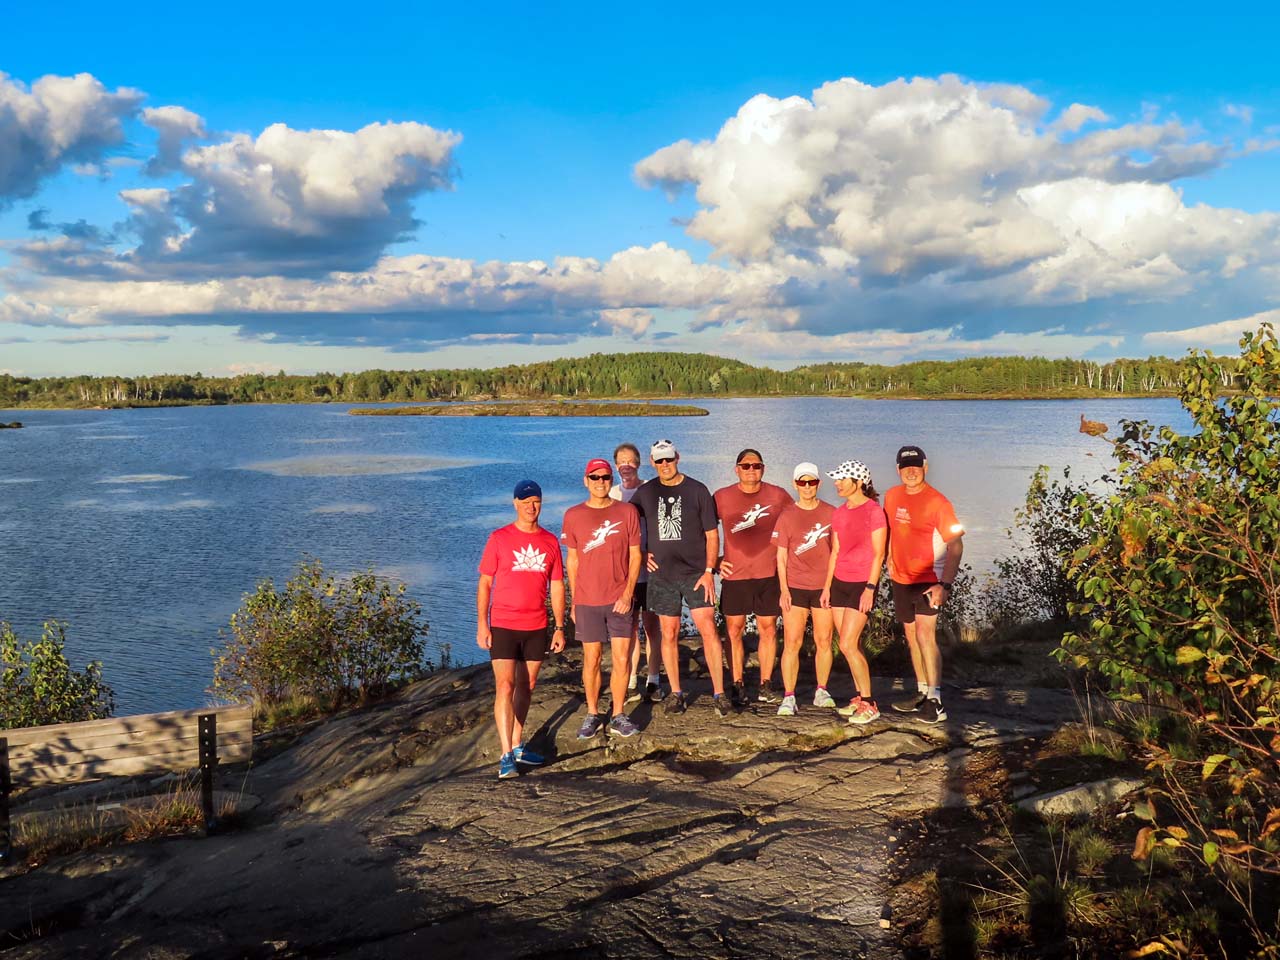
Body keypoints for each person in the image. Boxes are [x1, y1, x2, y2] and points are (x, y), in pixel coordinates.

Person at [476, 479, 567, 779]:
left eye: (536, 501)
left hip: (536, 624)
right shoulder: (499, 538)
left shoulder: (550, 541)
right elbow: (485, 582)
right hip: (503, 623)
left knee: (527, 686)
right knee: (505, 686)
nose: (531, 506)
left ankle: (516, 744)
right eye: (525, 501)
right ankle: (505, 755)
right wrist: (482, 623)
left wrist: (559, 626)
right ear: (515, 503)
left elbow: (557, 585)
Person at [630, 439, 727, 717]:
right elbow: (627, 523)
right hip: (661, 576)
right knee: (669, 632)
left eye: (669, 459)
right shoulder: (645, 493)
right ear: (652, 462)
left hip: (696, 573)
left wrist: (709, 571)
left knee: (708, 628)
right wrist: (640, 552)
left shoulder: (697, 490)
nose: (665, 465)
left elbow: (712, 535)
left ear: (677, 458)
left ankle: (719, 693)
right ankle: (676, 692)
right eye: (659, 460)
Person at [562, 458, 642, 739]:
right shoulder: (573, 515)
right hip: (587, 600)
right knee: (592, 658)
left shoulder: (627, 511)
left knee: (621, 659)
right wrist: (574, 600)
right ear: (586, 481)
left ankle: (618, 714)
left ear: (611, 480)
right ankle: (593, 713)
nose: (600, 482)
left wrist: (628, 593)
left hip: (619, 598)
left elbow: (635, 555)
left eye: (605, 477)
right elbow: (572, 560)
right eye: (594, 477)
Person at [884, 445, 965, 724]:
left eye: (916, 466)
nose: (911, 472)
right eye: (906, 467)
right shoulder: (892, 496)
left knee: (925, 635)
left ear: (925, 468)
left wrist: (945, 585)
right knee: (911, 636)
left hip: (929, 580)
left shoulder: (939, 503)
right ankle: (921, 692)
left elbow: (956, 545)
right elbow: (890, 530)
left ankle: (935, 700)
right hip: (901, 579)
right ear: (898, 469)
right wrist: (888, 557)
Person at [714, 448, 792, 707]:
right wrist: (713, 562)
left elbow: (797, 521)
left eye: (756, 466)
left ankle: (765, 684)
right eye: (745, 466)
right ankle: (737, 684)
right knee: (733, 630)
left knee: (768, 629)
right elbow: (703, 530)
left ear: (763, 469)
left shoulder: (778, 495)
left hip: (768, 574)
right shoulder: (721, 497)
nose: (751, 470)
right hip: (735, 575)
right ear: (736, 469)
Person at [823, 460, 888, 725]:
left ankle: (870, 704)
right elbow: (836, 552)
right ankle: (860, 697)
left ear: (859, 482)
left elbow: (879, 554)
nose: (836, 483)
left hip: (862, 584)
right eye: (836, 479)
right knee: (851, 644)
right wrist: (827, 587)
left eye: (842, 479)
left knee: (848, 644)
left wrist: (870, 588)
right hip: (839, 582)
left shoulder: (874, 511)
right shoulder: (839, 513)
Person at [771, 462, 837, 717]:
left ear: (818, 484)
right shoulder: (787, 516)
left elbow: (836, 552)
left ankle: (822, 690)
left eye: (811, 482)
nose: (807, 487)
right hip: (795, 587)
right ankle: (789, 696)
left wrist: (829, 586)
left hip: (823, 587)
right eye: (802, 482)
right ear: (795, 484)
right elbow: (781, 557)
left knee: (824, 640)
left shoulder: (831, 513)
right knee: (792, 642)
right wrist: (784, 590)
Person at [609, 442, 664, 702]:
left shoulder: (650, 490)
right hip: (624, 574)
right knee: (629, 628)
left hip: (650, 572)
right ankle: (629, 678)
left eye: (630, 461)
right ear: (615, 465)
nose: (626, 465)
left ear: (639, 463)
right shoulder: (611, 493)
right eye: (621, 461)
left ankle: (653, 679)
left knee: (652, 626)